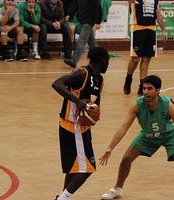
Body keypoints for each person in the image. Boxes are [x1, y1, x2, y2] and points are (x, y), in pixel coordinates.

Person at [100, 75, 174, 200]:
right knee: (127, 158)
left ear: (158, 90)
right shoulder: (138, 105)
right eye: (144, 88)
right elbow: (123, 127)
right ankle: (117, 189)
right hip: (148, 135)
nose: (145, 92)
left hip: (169, 135)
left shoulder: (167, 105)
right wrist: (110, 148)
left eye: (150, 89)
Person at [51, 47, 110, 200]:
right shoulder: (82, 73)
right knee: (87, 169)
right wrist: (77, 101)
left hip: (82, 127)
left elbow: (96, 104)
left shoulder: (100, 80)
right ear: (102, 60)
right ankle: (62, 199)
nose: (108, 64)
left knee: (74, 168)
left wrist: (94, 115)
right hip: (72, 126)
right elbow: (57, 83)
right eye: (108, 60)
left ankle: (63, 197)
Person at [123, 0, 167, 96]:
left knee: (147, 59)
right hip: (137, 28)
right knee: (135, 59)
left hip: (151, 28)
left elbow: (157, 12)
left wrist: (163, 30)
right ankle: (128, 78)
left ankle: (142, 86)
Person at [63, 0, 102, 68]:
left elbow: (98, 8)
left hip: (90, 20)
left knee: (81, 41)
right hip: (83, 20)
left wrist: (98, 21)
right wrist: (69, 14)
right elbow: (74, 5)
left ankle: (74, 61)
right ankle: (100, 58)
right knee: (92, 43)